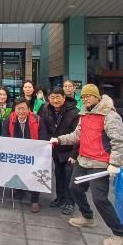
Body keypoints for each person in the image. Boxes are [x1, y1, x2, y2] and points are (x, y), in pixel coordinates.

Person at [50, 84, 123, 245]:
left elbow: (119, 142)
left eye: (89, 96)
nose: (86, 99)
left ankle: (120, 234)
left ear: (97, 97)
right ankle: (87, 217)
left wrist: (115, 163)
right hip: (83, 160)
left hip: (100, 163)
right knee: (74, 188)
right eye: (84, 96)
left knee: (100, 199)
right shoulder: (84, 115)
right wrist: (59, 140)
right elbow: (76, 136)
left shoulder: (110, 116)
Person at [40, 87, 80, 215]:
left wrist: (74, 154)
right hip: (55, 150)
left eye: (58, 97)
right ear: (48, 98)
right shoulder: (46, 109)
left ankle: (70, 203)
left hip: (69, 151)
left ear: (64, 98)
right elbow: (43, 128)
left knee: (69, 177)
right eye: (52, 97)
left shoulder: (75, 112)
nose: (55, 100)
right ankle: (60, 198)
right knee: (58, 175)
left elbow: (79, 136)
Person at [2, 98, 42, 212]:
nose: (21, 111)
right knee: (18, 172)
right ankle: (20, 191)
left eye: (23, 108)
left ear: (29, 109)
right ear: (14, 109)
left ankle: (35, 200)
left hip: (34, 152)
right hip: (17, 153)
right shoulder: (10, 119)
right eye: (18, 108)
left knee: (35, 175)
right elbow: (4, 136)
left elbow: (43, 137)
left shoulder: (37, 119)